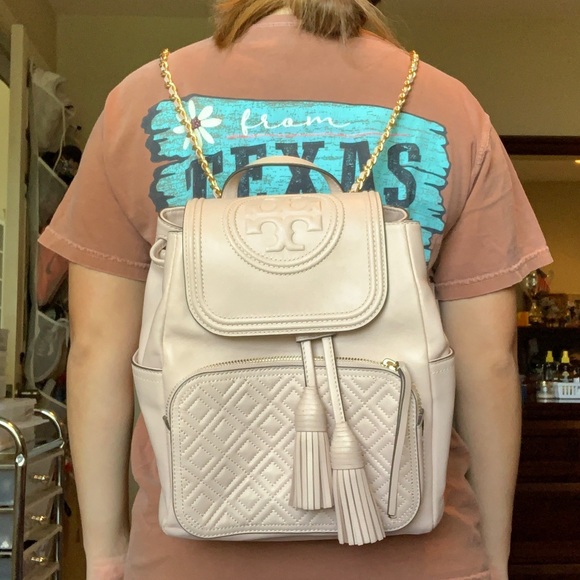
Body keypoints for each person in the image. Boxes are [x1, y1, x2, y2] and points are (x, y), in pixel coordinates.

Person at [39, 1, 552, 578]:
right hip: (419, 549)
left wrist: (106, 555)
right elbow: (490, 361)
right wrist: (494, 557)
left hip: (191, 555)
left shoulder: (143, 99)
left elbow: (96, 350)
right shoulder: (446, 105)